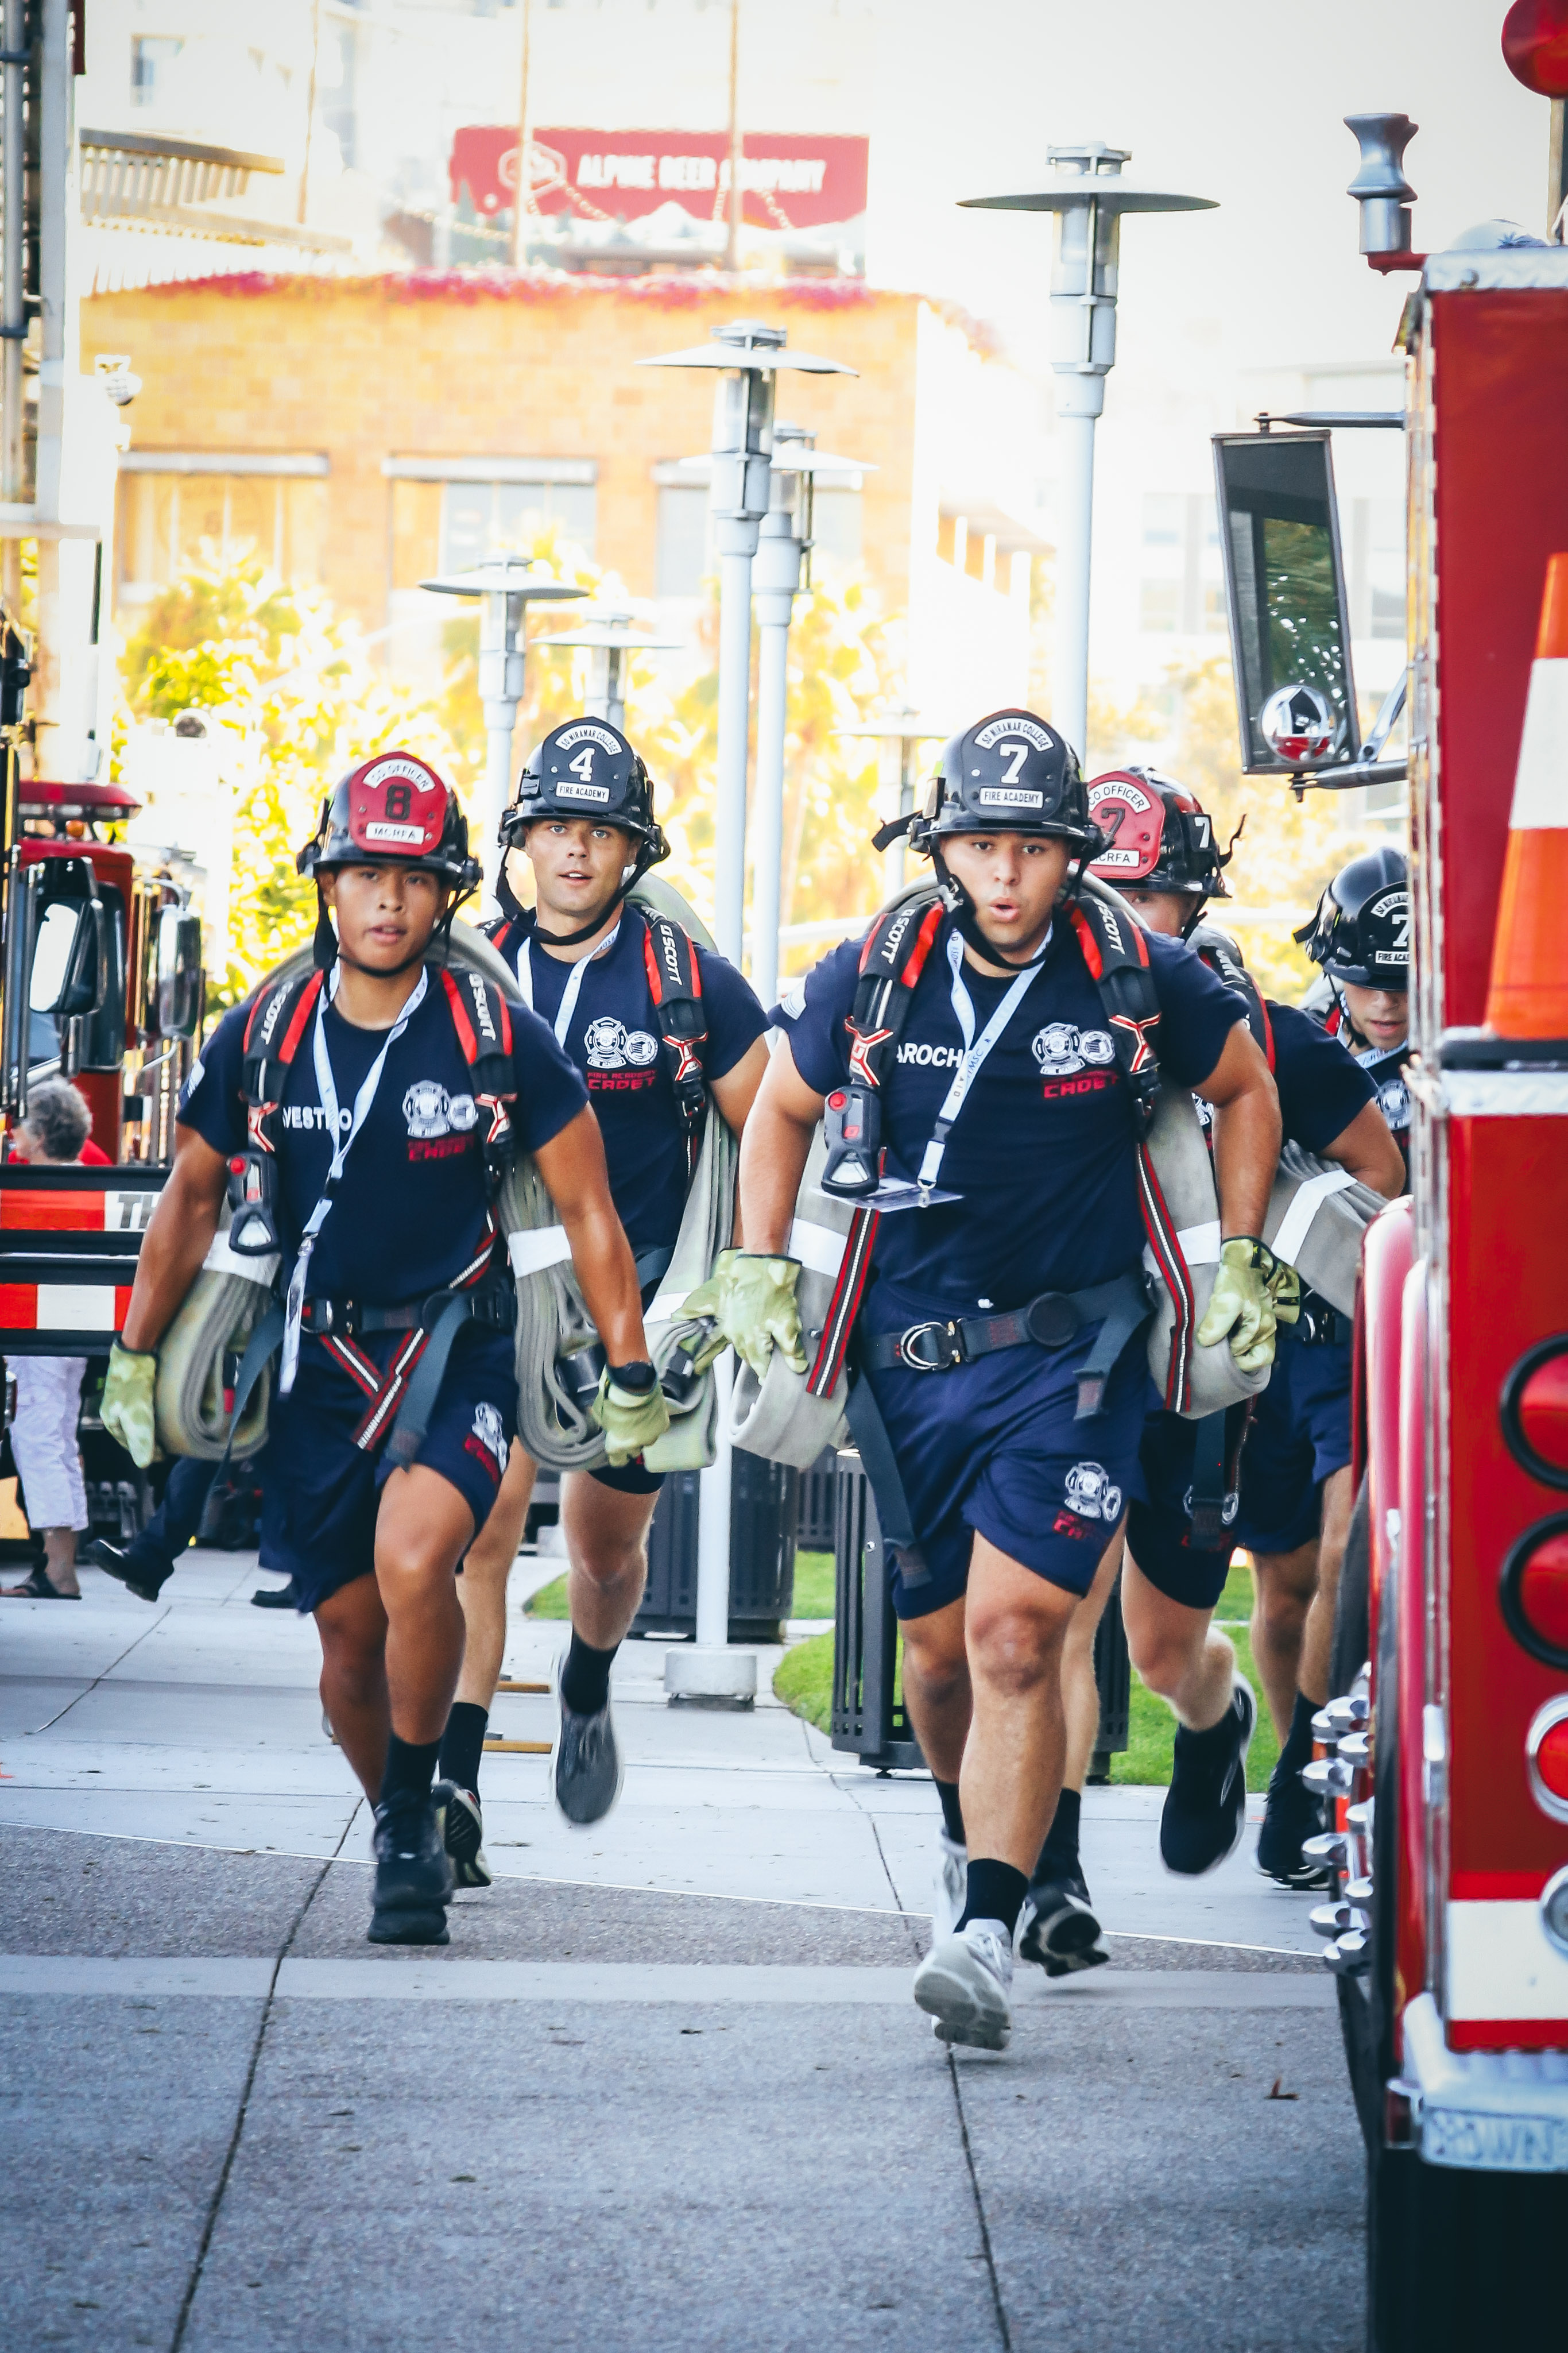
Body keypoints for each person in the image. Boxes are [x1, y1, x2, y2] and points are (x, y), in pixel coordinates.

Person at [721, 709, 1283, 2053]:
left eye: (1031, 846)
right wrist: (756, 1264)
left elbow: (1248, 1086)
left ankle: (986, 1923)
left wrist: (1246, 1250)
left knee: (1019, 1637)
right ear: (946, 846)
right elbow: (784, 1109)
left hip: (1070, 1356)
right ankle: (963, 1839)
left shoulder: (1134, 973)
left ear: (1069, 851)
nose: (1006, 873)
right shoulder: (875, 968)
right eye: (981, 844)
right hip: (905, 1357)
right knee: (931, 1660)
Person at [96, 752, 665, 1948]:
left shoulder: (493, 1031)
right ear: (327, 883)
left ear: (448, 889)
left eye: (412, 878)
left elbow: (590, 1211)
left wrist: (627, 1372)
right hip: (310, 1365)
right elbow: (191, 1198)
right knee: (348, 1649)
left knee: (420, 1563)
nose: (388, 902)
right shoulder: (265, 1027)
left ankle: (414, 1819)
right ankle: (402, 1806)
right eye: (364, 873)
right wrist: (134, 1358)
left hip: (458, 1346)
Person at [436, 717, 768, 1884]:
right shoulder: (462, 968)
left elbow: (772, 1125)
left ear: (634, 849)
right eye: (556, 828)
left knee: (604, 1551)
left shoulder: (690, 985)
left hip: (638, 1317)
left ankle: (585, 1676)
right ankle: (453, 1782)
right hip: (487, 1296)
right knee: (478, 1529)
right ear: (521, 841)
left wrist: (757, 1270)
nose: (575, 851)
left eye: (600, 831)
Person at [1081, 771, 1404, 1892]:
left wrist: (1263, 1251)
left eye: (1150, 894)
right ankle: (1044, 1872)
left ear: (1193, 902)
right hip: (1089, 1349)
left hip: (1259, 1349)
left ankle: (1286, 1767)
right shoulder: (1019, 1026)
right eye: (1100, 886)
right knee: (1044, 1612)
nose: (1122, 918)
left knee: (1266, 1592)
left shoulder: (1255, 1030)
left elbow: (1378, 1174)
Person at [0, 1080, 100, 1599]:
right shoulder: (85, 1185)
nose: (14, 1130)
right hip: (73, 1332)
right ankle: (60, 1562)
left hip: (38, 1330)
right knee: (58, 1438)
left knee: (36, 1437)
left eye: (21, 1123)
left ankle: (58, 1568)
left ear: (39, 1135)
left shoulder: (32, 1190)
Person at [1296, 845, 1411, 1169]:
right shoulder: (1303, 1044)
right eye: (1366, 983)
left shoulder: (1454, 1068)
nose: (1385, 1003)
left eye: (1404, 984)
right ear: (1333, 972)